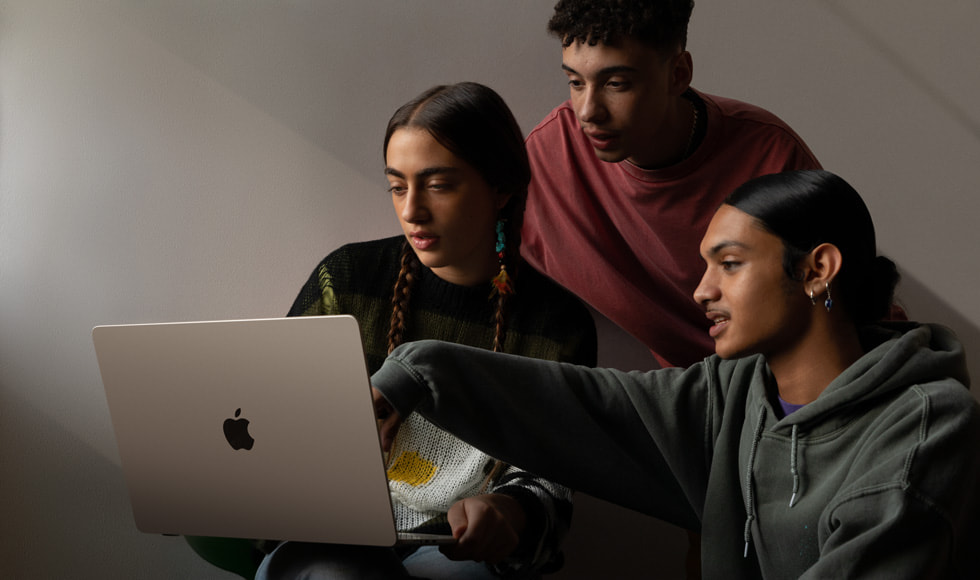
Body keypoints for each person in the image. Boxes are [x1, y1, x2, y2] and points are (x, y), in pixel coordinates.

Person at [373, 170, 980, 578]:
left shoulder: (926, 428)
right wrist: (409, 378)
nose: (701, 291)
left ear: (817, 269)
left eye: (730, 264)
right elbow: (581, 404)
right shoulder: (731, 392)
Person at [253, 82, 597, 580]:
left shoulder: (557, 325)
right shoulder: (349, 279)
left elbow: (552, 478)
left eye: (438, 185)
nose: (412, 210)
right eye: (398, 186)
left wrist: (509, 511)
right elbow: (271, 414)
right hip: (337, 534)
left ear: (500, 189)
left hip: (458, 551)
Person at [522, 0, 822, 368]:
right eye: (575, 82)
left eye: (616, 84)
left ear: (678, 74)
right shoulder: (552, 154)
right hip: (673, 389)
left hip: (785, 377)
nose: (588, 111)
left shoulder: (770, 156)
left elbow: (843, 306)